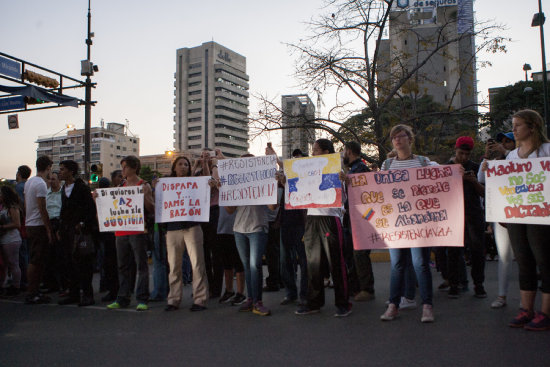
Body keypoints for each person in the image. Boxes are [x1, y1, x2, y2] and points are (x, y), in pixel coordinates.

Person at [491, 109, 550, 331]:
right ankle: (526, 309)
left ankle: (546, 312)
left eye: (518, 125)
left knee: (544, 260)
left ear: (532, 127)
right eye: (513, 125)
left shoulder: (546, 151)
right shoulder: (512, 156)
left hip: (542, 217)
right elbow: (506, 187)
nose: (514, 130)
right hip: (516, 216)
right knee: (524, 260)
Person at [379, 125, 435, 323]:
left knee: (420, 263)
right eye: (393, 137)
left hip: (419, 222)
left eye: (401, 136)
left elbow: (443, 178)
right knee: (397, 264)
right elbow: (378, 190)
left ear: (410, 139)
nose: (397, 140)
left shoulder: (423, 162)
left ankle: (427, 306)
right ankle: (394, 305)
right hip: (395, 223)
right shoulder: (387, 165)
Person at [294, 139, 352, 317]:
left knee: (336, 262)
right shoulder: (308, 171)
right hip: (312, 218)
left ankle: (343, 303)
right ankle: (314, 302)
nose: (313, 154)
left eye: (316, 150)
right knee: (313, 263)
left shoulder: (337, 171)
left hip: (330, 217)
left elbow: (342, 200)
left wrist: (344, 183)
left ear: (327, 152)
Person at [222, 153, 278, 316]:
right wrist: (224, 190)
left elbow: (272, 207)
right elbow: (230, 210)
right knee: (247, 266)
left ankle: (258, 301)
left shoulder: (262, 182)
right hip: (239, 229)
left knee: (255, 265)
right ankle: (250, 298)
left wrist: (272, 184)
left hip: (258, 228)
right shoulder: (237, 184)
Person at [106, 156, 154, 311]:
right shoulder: (121, 186)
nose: (123, 170)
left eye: (125, 167)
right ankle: (123, 297)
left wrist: (144, 196)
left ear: (134, 168)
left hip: (137, 229)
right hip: (121, 230)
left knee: (141, 264)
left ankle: (142, 298)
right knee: (123, 265)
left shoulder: (143, 185)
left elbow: (152, 208)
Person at [163, 156, 209, 312]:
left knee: (197, 264)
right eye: (180, 164)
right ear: (174, 167)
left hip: (192, 227)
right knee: (174, 266)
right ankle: (173, 299)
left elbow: (205, 185)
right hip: (173, 228)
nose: (183, 167)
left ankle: (200, 299)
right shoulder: (166, 184)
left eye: (186, 164)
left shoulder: (195, 183)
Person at [445, 136, 487, 299]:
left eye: (467, 155)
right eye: (461, 153)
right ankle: (454, 284)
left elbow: (484, 193)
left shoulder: (475, 168)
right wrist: (456, 178)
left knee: (477, 251)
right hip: (453, 215)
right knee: (454, 252)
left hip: (473, 214)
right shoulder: (447, 168)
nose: (464, 157)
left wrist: (474, 181)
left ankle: (479, 285)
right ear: (455, 151)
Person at [479, 132, 516, 308]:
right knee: (504, 256)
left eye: (508, 142)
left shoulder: (520, 158)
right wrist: (486, 158)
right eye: (501, 142)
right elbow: (481, 179)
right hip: (502, 214)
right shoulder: (495, 163)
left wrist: (506, 153)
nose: (504, 144)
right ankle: (502, 295)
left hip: (525, 212)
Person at [56, 160, 99, 307]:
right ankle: (73, 293)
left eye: (62, 169)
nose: (60, 172)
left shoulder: (81, 188)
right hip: (66, 230)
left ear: (71, 171)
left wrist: (82, 223)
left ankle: (87, 294)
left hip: (80, 232)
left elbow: (90, 209)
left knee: (83, 264)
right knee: (69, 263)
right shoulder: (64, 188)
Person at [340, 141, 375, 302]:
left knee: (359, 254)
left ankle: (366, 289)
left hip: (359, 219)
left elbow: (363, 190)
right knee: (352, 254)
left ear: (349, 151)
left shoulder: (360, 168)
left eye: (344, 151)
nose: (343, 155)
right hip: (353, 218)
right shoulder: (355, 168)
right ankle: (356, 288)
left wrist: (348, 180)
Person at [278, 148, 308, 306]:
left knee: (304, 260)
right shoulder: (285, 179)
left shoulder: (309, 179)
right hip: (286, 222)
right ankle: (290, 293)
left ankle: (304, 294)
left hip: (302, 224)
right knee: (285, 260)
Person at [24, 156, 53, 304]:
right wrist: (48, 228)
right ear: (48, 167)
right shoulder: (40, 184)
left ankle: (34, 290)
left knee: (35, 259)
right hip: (37, 225)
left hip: (30, 223)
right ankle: (32, 292)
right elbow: (42, 208)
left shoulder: (29, 182)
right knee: (36, 261)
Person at [0, 186, 22, 296]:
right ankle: (5, 284)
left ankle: (16, 286)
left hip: (12, 239)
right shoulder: (3, 207)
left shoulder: (12, 208)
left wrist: (3, 227)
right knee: (6, 264)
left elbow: (17, 224)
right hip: (5, 238)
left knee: (13, 263)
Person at [15, 165, 31, 291]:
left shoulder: (18, 188)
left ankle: (24, 280)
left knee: (22, 254)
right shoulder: (28, 185)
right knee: (27, 252)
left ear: (19, 174)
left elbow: (19, 206)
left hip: (21, 222)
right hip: (29, 221)